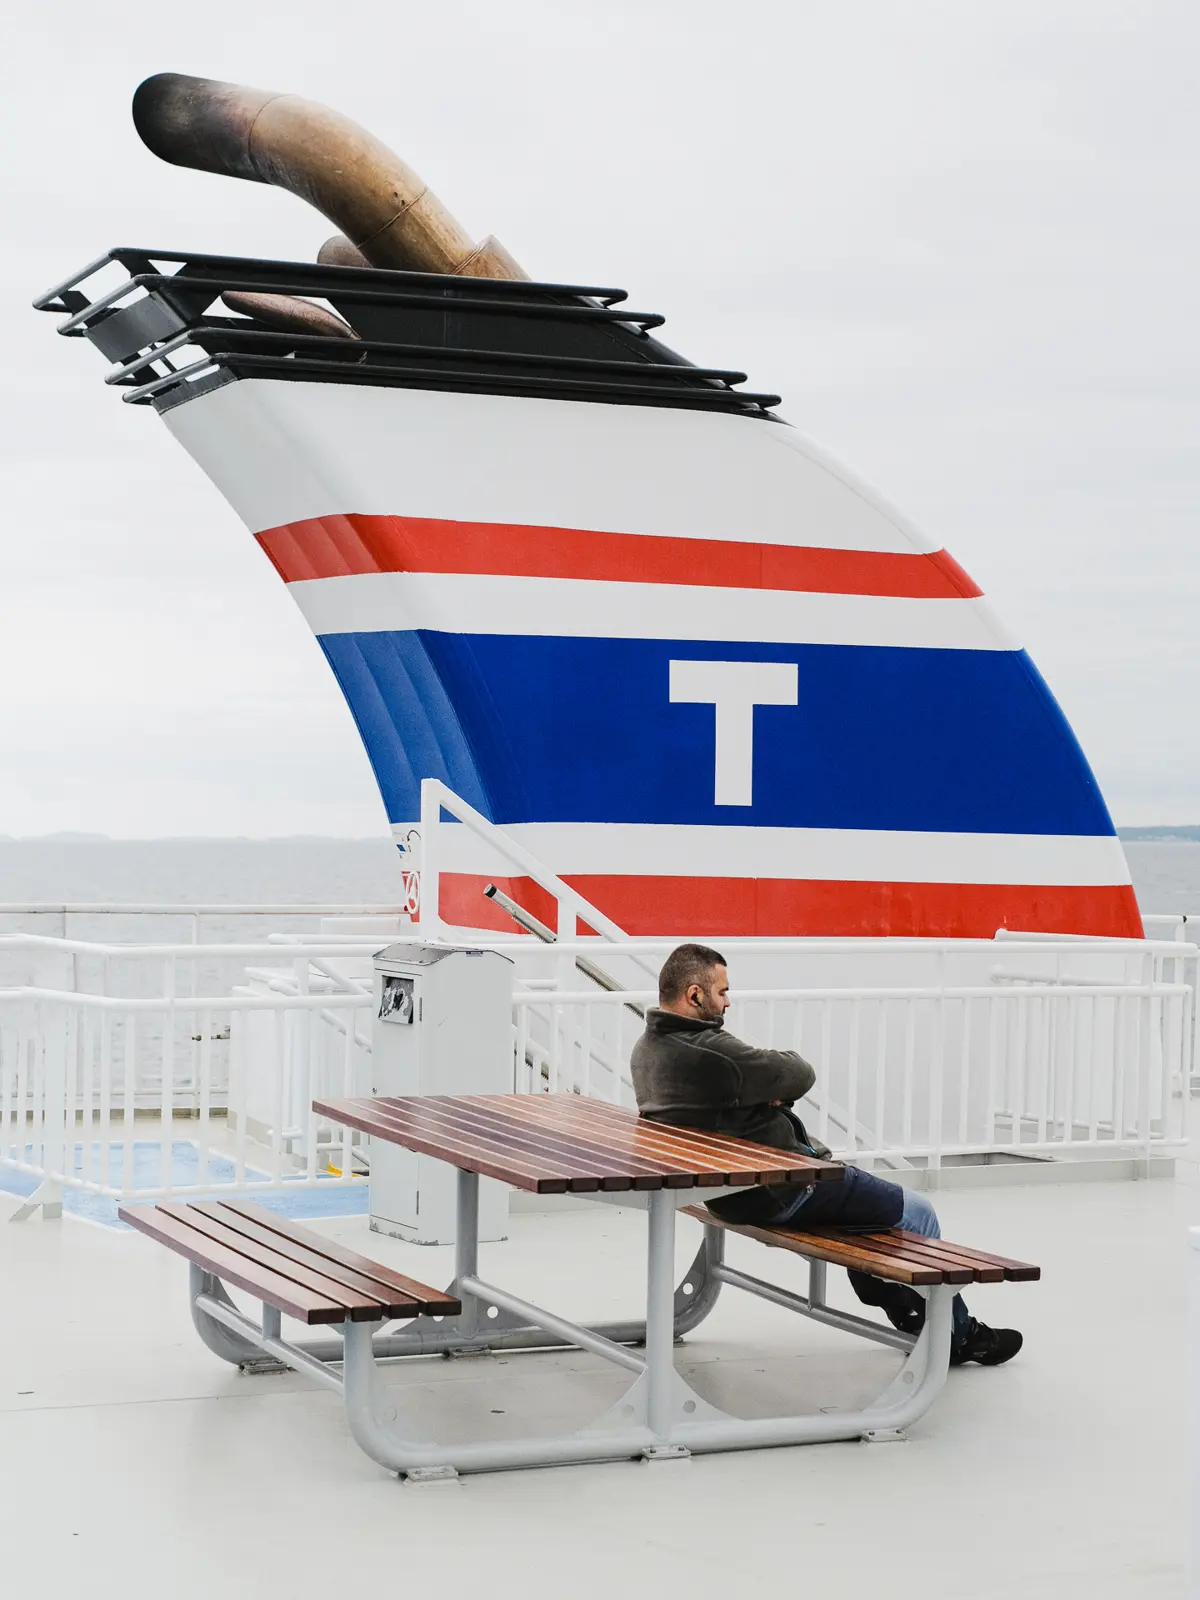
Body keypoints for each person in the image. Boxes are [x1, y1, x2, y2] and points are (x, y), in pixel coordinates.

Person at [630, 942, 1022, 1367]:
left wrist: (757, 1100)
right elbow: (799, 1072)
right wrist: (768, 1093)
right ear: (694, 995)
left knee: (871, 1218)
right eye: (722, 992)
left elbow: (727, 1097)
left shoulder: (647, 1050)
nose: (728, 1001)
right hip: (785, 1188)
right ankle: (957, 1335)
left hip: (724, 1194)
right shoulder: (711, 1052)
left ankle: (899, 1300)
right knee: (919, 1214)